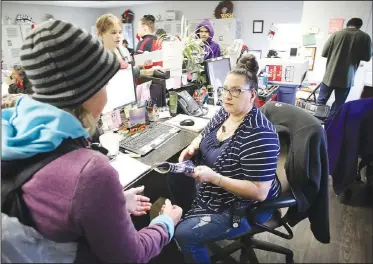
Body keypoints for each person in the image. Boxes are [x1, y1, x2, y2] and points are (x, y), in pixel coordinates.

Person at [1, 20, 182, 263]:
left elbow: (57, 202)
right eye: (105, 84)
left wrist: (108, 203)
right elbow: (131, 256)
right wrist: (166, 222)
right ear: (86, 93)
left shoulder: (13, 132)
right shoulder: (91, 173)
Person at [167, 55, 280, 263]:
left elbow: (259, 192)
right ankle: (191, 222)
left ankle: (191, 233)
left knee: (185, 235)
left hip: (245, 207)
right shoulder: (225, 111)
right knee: (175, 177)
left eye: (236, 90)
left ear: (252, 95)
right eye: (225, 89)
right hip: (216, 188)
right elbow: (206, 132)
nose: (228, 95)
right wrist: (193, 146)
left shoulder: (260, 134)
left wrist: (215, 178)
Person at [317, 17, 372, 118]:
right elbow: (367, 57)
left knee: (321, 101)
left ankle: (317, 122)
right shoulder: (365, 37)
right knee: (339, 104)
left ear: (347, 24)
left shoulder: (336, 34)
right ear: (359, 26)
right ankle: (329, 124)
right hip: (346, 78)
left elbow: (324, 53)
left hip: (330, 75)